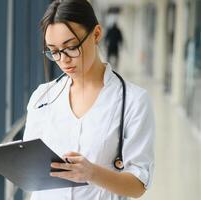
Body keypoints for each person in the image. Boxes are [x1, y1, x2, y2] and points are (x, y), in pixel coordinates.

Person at [23, 0, 155, 199]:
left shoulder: (134, 101)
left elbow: (138, 185)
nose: (64, 60)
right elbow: (30, 165)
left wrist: (92, 173)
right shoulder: (42, 97)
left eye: (71, 47)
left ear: (96, 34)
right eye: (54, 51)